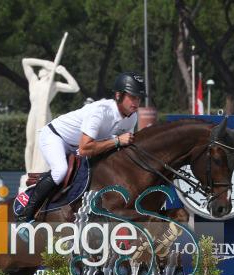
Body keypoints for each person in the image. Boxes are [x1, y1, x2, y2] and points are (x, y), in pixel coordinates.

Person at [16, 71, 145, 223]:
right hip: (55, 137)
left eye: (139, 98)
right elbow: (85, 149)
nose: (136, 102)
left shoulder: (132, 118)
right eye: (132, 97)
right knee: (60, 171)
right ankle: (26, 214)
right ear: (118, 96)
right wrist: (116, 141)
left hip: (79, 144)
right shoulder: (101, 111)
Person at [22, 56, 80, 173]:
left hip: (45, 114)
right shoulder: (33, 81)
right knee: (30, 144)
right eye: (42, 68)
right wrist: (45, 63)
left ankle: (43, 169)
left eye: (45, 68)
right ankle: (29, 173)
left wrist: (63, 71)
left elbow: (75, 88)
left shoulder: (53, 85)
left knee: (43, 143)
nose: (42, 69)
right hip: (33, 113)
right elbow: (25, 62)